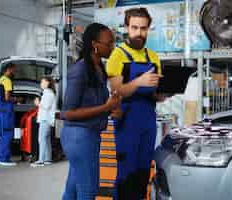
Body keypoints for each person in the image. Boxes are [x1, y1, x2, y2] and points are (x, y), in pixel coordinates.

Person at [106, 7, 164, 200]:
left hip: (148, 119)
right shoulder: (117, 55)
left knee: (143, 171)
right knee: (126, 173)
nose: (139, 33)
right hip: (126, 122)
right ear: (126, 27)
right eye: (135, 28)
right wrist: (139, 82)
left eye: (144, 28)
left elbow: (155, 93)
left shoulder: (154, 57)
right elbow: (117, 90)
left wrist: (163, 94)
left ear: (149, 29)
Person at [60, 23, 121, 200]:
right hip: (79, 136)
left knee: (72, 189)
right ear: (95, 44)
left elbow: (92, 105)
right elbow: (68, 113)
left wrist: (110, 111)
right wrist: (106, 107)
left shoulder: (98, 69)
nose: (112, 47)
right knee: (88, 190)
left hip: (89, 135)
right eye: (109, 43)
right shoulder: (80, 70)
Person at [31, 76, 57, 167]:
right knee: (46, 140)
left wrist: (38, 103)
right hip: (46, 119)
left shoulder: (48, 94)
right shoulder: (47, 93)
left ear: (48, 83)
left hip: (45, 119)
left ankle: (41, 160)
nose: (41, 84)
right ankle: (47, 159)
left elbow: (46, 106)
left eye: (42, 82)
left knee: (41, 139)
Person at [0, 63, 18, 166]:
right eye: (14, 70)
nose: (15, 72)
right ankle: (4, 159)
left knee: (3, 134)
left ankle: (0, 156)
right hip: (7, 110)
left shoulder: (0, 80)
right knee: (8, 134)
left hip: (1, 111)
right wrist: (17, 99)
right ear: (9, 69)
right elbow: (7, 98)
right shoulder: (8, 81)